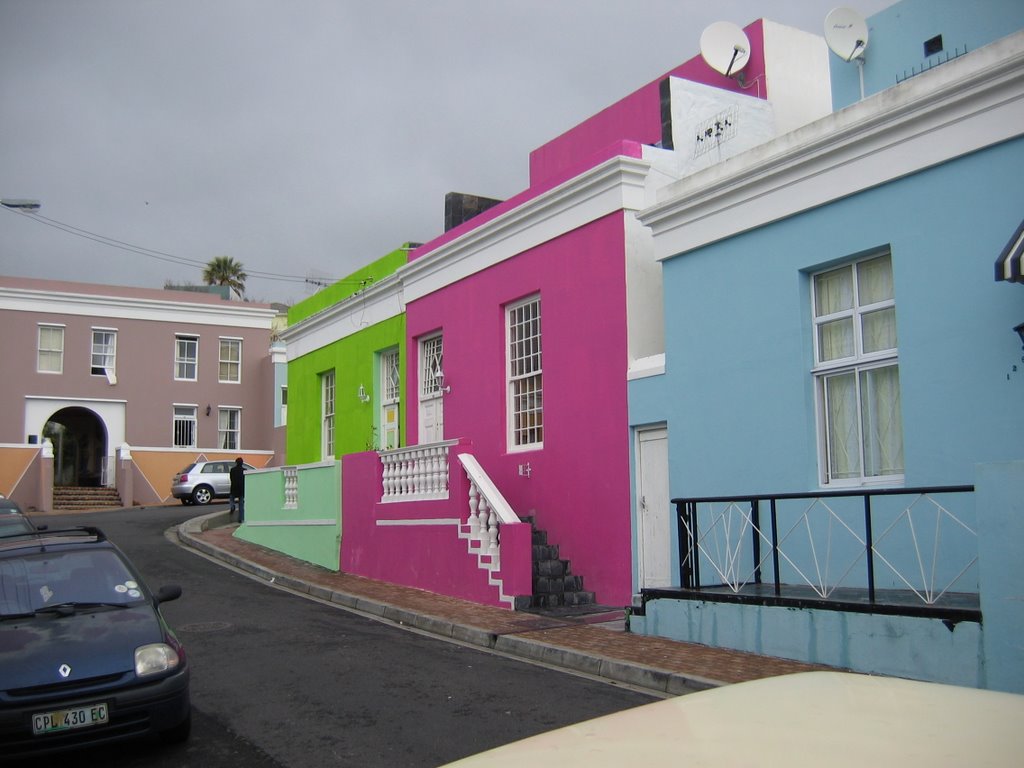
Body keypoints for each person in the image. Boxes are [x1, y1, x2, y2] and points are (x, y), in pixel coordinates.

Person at [229, 458, 245, 522]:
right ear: (242, 463)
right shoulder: (244, 470)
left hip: (234, 487)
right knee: (241, 505)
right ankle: (241, 519)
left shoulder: (232, 470)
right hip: (241, 488)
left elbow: (231, 478)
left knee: (231, 498)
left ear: (236, 462)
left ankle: (232, 506)